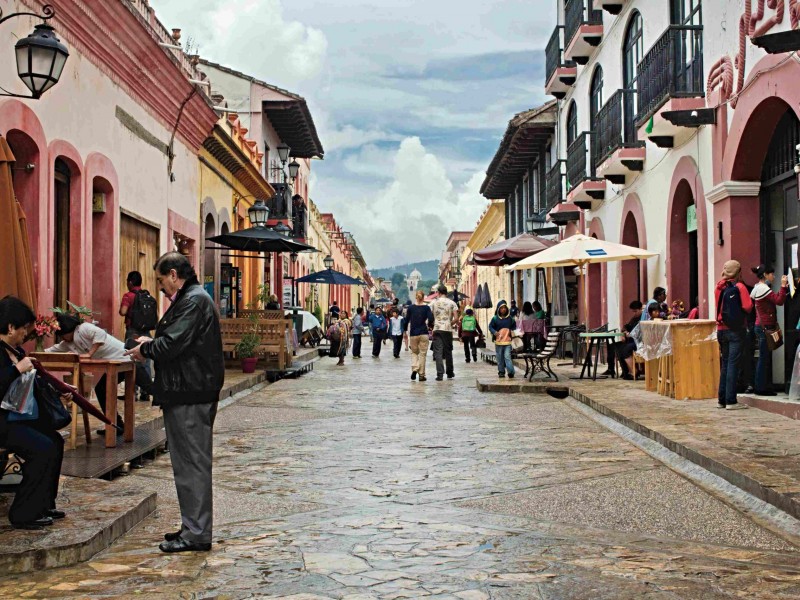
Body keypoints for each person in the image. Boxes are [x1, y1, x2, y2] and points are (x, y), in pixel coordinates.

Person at [126, 252, 224, 553]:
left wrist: (147, 348)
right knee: (186, 463)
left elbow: (172, 344)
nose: (158, 287)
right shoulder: (191, 299)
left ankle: (196, 532)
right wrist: (152, 344)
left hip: (190, 393)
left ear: (172, 274)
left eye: (159, 279)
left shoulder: (193, 301)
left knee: (192, 463)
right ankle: (192, 525)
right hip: (186, 390)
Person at [0, 296, 68, 530]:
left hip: (16, 419)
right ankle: (23, 513)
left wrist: (61, 391)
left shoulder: (14, 350)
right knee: (42, 448)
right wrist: (16, 370)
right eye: (23, 329)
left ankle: (43, 503)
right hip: (3, 422)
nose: (25, 335)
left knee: (55, 441)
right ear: (10, 327)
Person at [48, 313, 153, 436]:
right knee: (101, 389)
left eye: (62, 335)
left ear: (68, 329)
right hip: (116, 364)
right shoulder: (68, 343)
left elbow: (100, 334)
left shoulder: (83, 328)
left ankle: (173, 409)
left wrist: (89, 354)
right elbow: (52, 350)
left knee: (151, 388)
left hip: (126, 358)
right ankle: (116, 425)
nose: (62, 338)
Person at [715, 260, 753, 411]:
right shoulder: (740, 287)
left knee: (725, 364)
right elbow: (748, 307)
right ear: (738, 272)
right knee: (733, 364)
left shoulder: (719, 287)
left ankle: (721, 399)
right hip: (736, 330)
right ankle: (731, 400)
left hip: (721, 330)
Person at [751, 265, 788, 396]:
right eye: (772, 274)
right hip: (764, 327)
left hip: (761, 326)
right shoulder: (763, 288)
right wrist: (783, 286)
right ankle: (761, 387)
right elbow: (779, 301)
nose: (774, 276)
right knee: (764, 358)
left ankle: (761, 385)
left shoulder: (758, 288)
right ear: (765, 275)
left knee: (764, 357)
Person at [119, 271, 157, 402]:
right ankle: (146, 392)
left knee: (132, 359)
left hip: (133, 332)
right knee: (145, 360)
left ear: (130, 282)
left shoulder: (128, 296)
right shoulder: (147, 295)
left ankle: (132, 393)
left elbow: (123, 312)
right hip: (146, 331)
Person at [603, 301, 643, 379]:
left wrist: (630, 335)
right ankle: (611, 369)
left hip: (636, 342)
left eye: (636, 311)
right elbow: (626, 326)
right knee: (612, 346)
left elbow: (639, 333)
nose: (634, 313)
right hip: (629, 340)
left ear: (641, 309)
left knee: (622, 349)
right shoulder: (634, 318)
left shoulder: (642, 318)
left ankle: (631, 371)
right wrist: (624, 333)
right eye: (633, 311)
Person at [430, 285, 459, 381]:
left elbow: (430, 317)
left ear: (438, 292)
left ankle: (440, 374)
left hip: (437, 328)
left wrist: (433, 323)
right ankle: (450, 372)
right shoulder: (452, 303)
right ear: (446, 293)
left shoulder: (434, 303)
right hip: (447, 329)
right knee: (448, 351)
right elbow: (456, 318)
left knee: (438, 352)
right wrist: (450, 323)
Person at [405, 290, 434, 381]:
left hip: (413, 333)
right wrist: (429, 326)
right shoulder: (426, 308)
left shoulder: (410, 308)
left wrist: (405, 330)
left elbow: (406, 320)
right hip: (423, 333)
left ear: (416, 297)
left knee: (414, 352)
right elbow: (431, 318)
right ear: (423, 297)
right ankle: (421, 375)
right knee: (422, 354)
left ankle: (415, 368)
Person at [489, 300, 516, 378]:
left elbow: (514, 326)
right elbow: (490, 327)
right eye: (501, 308)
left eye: (504, 308)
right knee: (499, 358)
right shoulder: (495, 319)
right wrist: (494, 332)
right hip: (499, 343)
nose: (503, 309)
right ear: (498, 309)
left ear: (507, 309)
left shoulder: (510, 319)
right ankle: (501, 372)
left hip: (508, 342)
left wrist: (512, 332)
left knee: (507, 357)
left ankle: (511, 372)